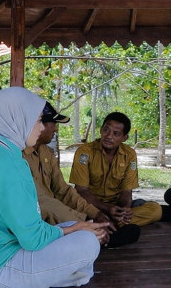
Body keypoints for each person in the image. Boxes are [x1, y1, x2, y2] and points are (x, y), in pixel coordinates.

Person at [0, 87, 109, 288]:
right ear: (18, 119)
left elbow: (62, 192)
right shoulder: (11, 165)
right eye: (37, 120)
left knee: (75, 231)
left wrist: (73, 227)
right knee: (87, 242)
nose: (41, 128)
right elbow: (33, 239)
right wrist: (74, 228)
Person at [22, 102, 120, 246]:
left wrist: (95, 214)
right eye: (53, 123)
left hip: (56, 211)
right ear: (38, 124)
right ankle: (97, 236)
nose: (56, 128)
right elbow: (42, 202)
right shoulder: (17, 156)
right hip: (36, 221)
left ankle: (97, 233)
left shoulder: (46, 152)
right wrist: (85, 222)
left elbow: (64, 191)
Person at [69, 112, 162, 244]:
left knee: (156, 210)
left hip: (115, 208)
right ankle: (110, 228)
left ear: (124, 138)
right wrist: (105, 209)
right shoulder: (84, 152)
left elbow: (127, 191)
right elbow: (81, 191)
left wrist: (124, 211)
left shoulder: (129, 154)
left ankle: (104, 226)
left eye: (116, 133)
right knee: (68, 214)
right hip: (90, 206)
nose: (109, 136)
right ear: (101, 130)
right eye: (106, 130)